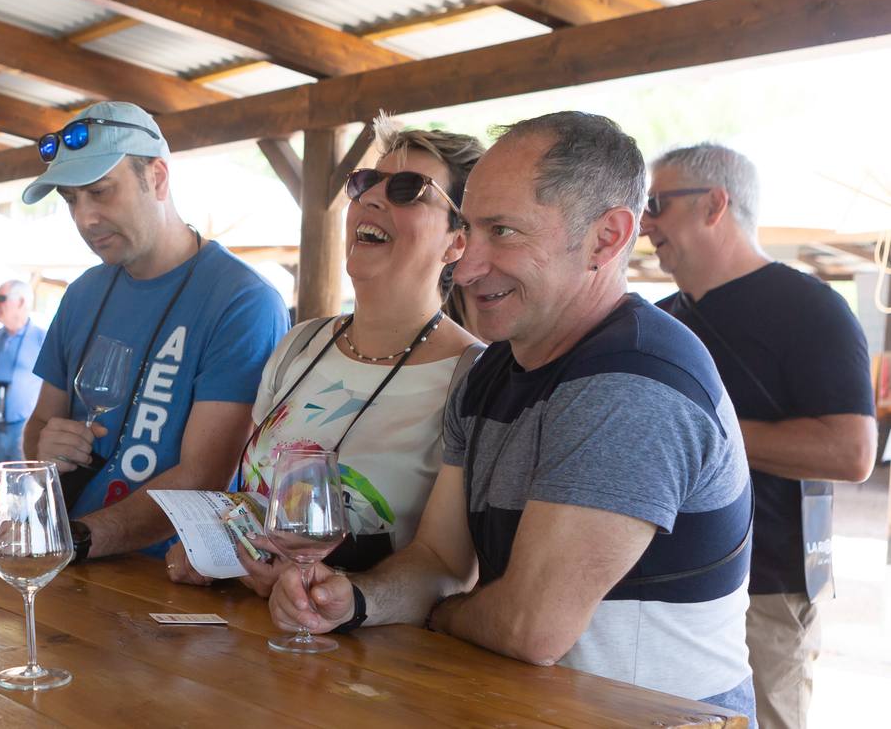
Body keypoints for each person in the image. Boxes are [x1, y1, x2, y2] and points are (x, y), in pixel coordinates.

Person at [270, 112, 754, 718]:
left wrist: (437, 614)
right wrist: (358, 600)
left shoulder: (634, 378)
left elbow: (531, 628)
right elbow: (440, 561)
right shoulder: (487, 373)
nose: (467, 265)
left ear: (606, 238)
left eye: (503, 232)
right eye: (469, 230)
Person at [167, 127, 486, 591]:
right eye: (364, 183)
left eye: (407, 189)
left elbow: (452, 569)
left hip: (366, 654)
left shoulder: (471, 375)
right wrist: (214, 549)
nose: (372, 199)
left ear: (457, 242)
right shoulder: (301, 343)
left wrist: (335, 597)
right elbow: (251, 497)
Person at [643, 143, 876, 729]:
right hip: (665, 580)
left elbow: (852, 454)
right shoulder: (662, 317)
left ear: (715, 204)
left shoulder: (811, 307)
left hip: (768, 586)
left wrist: (706, 437)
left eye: (657, 203)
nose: (644, 223)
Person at [23, 101, 288, 562]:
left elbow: (201, 478)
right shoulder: (83, 292)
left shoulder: (242, 299)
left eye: (101, 192)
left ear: (158, 178)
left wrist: (76, 540)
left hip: (174, 581)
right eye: (71, 199)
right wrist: (45, 450)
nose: (85, 218)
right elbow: (39, 426)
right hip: (72, 560)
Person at [0, 279, 46, 464]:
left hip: (24, 427)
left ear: (21, 302)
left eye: (1, 298)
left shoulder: (42, 338)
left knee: (25, 485)